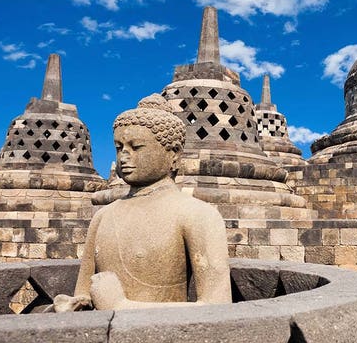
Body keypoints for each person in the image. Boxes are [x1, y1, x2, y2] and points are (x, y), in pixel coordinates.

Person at [54, 94, 231, 312]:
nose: (124, 157)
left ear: (173, 155)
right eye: (119, 148)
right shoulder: (102, 217)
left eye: (136, 147)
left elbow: (218, 307)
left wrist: (121, 306)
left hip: (165, 341)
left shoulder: (197, 215)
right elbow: (83, 292)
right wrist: (73, 304)